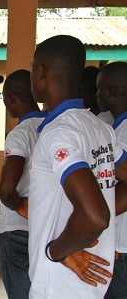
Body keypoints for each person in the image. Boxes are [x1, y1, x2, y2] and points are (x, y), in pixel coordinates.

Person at [28, 34, 127, 299]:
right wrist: (84, 232)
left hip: (59, 282)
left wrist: (58, 251)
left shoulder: (58, 134)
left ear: (41, 71)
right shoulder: (100, 128)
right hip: (92, 282)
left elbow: (95, 216)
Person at [0, 69, 47, 299]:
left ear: (10, 99)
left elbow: (7, 191)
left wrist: (21, 207)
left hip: (18, 229)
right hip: (49, 229)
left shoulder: (20, 134)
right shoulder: (55, 127)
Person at [96, 61, 127, 299]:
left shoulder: (124, 132)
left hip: (122, 246)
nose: (95, 95)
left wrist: (98, 219)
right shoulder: (114, 126)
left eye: (99, 88)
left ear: (112, 92)